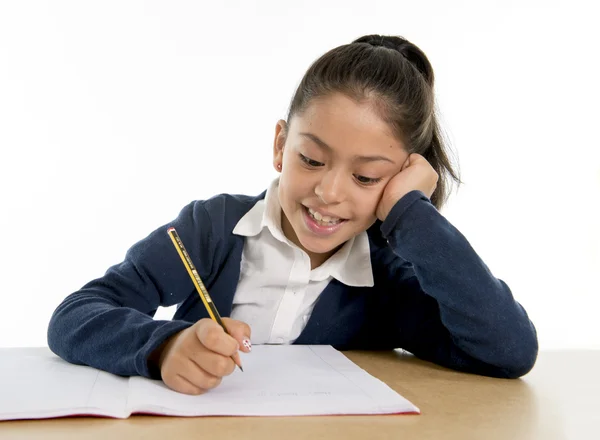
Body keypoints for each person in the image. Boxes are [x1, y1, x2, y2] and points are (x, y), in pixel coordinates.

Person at [47, 34, 538, 395]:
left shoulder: (389, 277)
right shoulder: (212, 229)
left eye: (367, 178)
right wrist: (163, 347)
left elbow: (508, 351)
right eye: (311, 159)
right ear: (281, 144)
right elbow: (75, 317)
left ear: (398, 181)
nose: (328, 192)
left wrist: (413, 215)